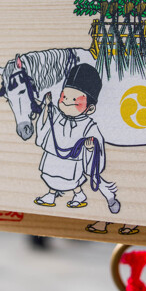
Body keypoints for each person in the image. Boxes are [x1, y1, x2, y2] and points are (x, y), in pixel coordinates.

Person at [33, 63, 120, 214]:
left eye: (75, 100)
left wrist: (90, 147)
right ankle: (51, 195)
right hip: (52, 156)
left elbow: (96, 144)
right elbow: (44, 125)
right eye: (64, 97)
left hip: (72, 163)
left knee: (71, 180)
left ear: (90, 108)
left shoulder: (88, 126)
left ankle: (79, 194)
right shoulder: (57, 116)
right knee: (50, 174)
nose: (66, 102)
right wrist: (47, 107)